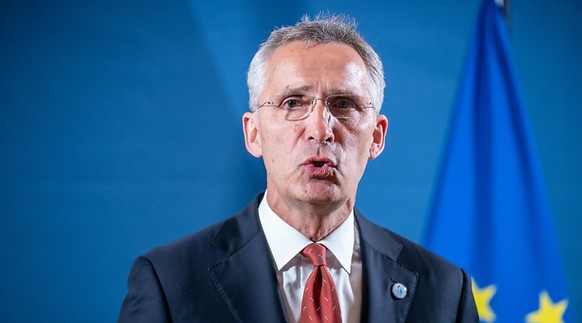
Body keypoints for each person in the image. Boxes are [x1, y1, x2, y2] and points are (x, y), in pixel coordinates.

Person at [118, 14, 478, 323]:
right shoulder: (169, 282)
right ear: (253, 133)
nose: (320, 129)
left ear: (377, 137)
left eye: (343, 104)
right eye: (293, 102)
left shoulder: (445, 290)